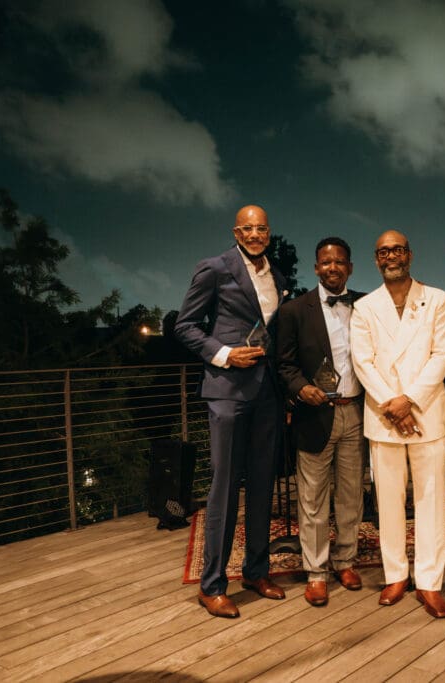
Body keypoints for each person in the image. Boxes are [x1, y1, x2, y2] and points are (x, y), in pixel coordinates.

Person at [174, 204, 287, 618]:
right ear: (236, 232)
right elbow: (185, 326)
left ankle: (256, 572)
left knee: (262, 485)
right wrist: (223, 354)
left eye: (262, 228)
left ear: (268, 233)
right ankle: (212, 585)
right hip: (227, 391)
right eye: (247, 229)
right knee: (223, 488)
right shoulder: (215, 268)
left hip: (268, 393)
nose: (255, 235)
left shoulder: (277, 277)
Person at [350, 230, 445, 618]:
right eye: (383, 251)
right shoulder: (364, 307)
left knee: (431, 501)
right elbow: (363, 362)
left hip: (425, 412)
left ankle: (429, 582)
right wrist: (394, 406)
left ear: (409, 254)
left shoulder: (438, 300)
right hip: (384, 417)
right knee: (388, 501)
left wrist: (408, 400)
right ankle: (395, 575)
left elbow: (442, 356)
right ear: (376, 259)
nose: (390, 256)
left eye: (396, 249)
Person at [277, 237, 366, 607]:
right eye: (326, 262)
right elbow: (284, 364)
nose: (333, 267)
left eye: (339, 261)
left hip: (357, 411)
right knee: (312, 498)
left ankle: (345, 560)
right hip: (314, 414)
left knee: (351, 495)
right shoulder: (295, 310)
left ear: (350, 267)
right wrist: (301, 388)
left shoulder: (366, 305)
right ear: (316, 268)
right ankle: (316, 572)